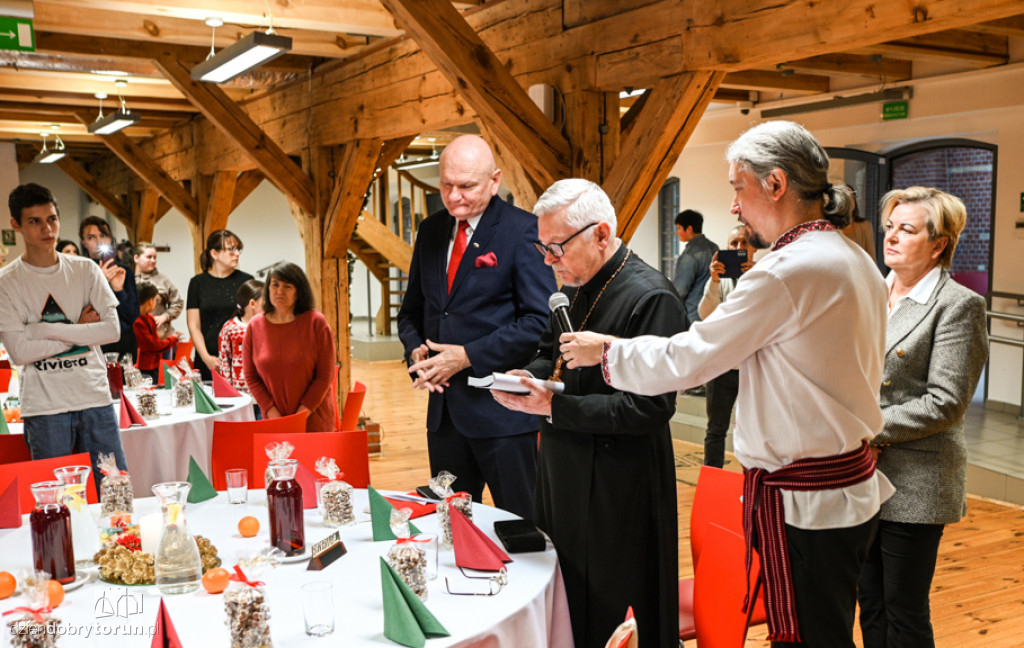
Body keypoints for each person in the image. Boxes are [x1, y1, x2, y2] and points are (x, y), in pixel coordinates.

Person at [560, 121, 894, 648]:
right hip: (843, 488)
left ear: (776, 184)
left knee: (814, 636)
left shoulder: (789, 271)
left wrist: (606, 352)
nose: (734, 206)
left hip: (805, 501)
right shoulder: (852, 258)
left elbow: (693, 357)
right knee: (825, 630)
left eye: (738, 188)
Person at [491, 179, 682, 648]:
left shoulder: (651, 298)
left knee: (610, 604)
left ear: (600, 234)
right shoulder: (574, 284)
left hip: (621, 482)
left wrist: (555, 405)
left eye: (556, 248)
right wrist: (529, 376)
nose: (547, 261)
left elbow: (650, 408)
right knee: (567, 591)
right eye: (543, 247)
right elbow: (548, 350)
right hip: (565, 466)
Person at [397, 134, 555, 520]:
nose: (454, 197)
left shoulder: (523, 231)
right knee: (453, 526)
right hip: (445, 417)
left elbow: (539, 322)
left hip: (503, 414)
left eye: (466, 186)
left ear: (494, 181)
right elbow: (411, 312)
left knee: (521, 526)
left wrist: (467, 356)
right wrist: (416, 350)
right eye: (446, 185)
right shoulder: (432, 230)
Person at [857, 187, 988, 648]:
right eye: (890, 226)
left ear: (938, 245)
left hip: (917, 479)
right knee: (868, 603)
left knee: (905, 611)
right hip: (862, 474)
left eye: (906, 229)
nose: (890, 237)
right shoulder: (871, 292)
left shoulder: (959, 305)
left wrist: (863, 428)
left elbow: (946, 402)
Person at [0, 184, 127, 490]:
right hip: (45, 409)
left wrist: (43, 329)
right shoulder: (7, 282)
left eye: (52, 219)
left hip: (95, 399)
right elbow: (20, 352)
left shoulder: (85, 270)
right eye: (35, 221)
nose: (48, 228)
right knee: (57, 503)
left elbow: (112, 331)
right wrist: (80, 331)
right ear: (16, 224)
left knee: (115, 494)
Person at [242, 262, 337, 432]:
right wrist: (273, 414)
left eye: (287, 287)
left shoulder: (316, 323)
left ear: (299, 292)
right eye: (275, 285)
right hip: (274, 422)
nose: (279, 291)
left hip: (314, 420)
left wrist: (299, 417)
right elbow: (251, 377)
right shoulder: (255, 326)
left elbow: (324, 376)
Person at [698, 223, 757, 468]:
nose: (739, 247)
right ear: (726, 247)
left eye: (744, 243)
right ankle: (711, 485)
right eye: (734, 244)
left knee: (752, 431)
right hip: (722, 367)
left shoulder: (765, 274)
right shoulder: (718, 280)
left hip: (753, 367)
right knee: (715, 430)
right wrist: (713, 281)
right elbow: (705, 315)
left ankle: (751, 487)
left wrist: (755, 277)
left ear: (753, 247)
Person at [186, 230, 253, 381]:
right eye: (231, 250)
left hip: (240, 357)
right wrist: (206, 358)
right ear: (214, 254)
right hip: (207, 357)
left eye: (238, 249)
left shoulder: (246, 281)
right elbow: (194, 325)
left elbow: (254, 321)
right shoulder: (198, 283)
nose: (237, 254)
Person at [79, 216, 139, 361]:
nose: (99, 242)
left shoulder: (123, 271)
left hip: (124, 340)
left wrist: (118, 290)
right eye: (91, 237)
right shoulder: (79, 271)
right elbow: (81, 312)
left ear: (110, 239)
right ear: (84, 243)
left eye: (103, 236)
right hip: (95, 340)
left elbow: (132, 315)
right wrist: (101, 282)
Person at [134, 243, 184, 353]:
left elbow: (178, 302)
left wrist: (165, 317)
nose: (152, 260)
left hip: (161, 336)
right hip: (135, 340)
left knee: (163, 369)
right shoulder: (128, 280)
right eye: (149, 257)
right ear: (136, 258)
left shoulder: (163, 280)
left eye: (155, 257)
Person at [673, 208, 719, 329]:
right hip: (714, 311)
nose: (676, 232)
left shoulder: (690, 255)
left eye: (678, 228)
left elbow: (680, 289)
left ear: (689, 229)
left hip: (693, 315)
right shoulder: (714, 248)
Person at [218, 279, 264, 395]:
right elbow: (224, 363)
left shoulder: (270, 326)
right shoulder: (230, 328)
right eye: (266, 302)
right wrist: (228, 394)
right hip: (241, 397)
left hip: (266, 396)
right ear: (252, 304)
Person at [133, 281, 178, 383]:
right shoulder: (137, 321)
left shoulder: (149, 318)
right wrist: (172, 340)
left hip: (154, 365)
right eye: (156, 300)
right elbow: (152, 345)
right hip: (143, 368)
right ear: (150, 301)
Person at [841, 184, 877, 262]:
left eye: (851, 198)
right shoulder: (828, 227)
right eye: (845, 199)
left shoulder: (865, 226)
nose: (849, 202)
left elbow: (872, 261)